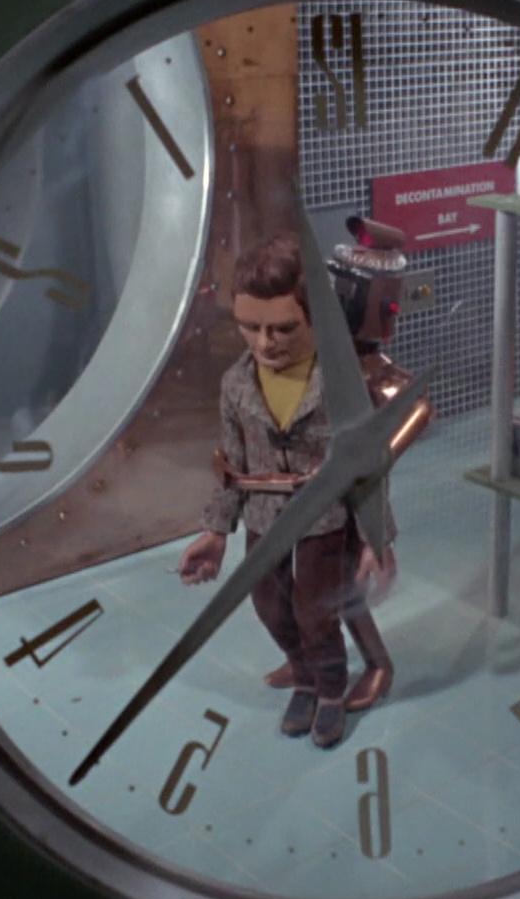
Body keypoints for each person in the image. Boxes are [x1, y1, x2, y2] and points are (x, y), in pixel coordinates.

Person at [177, 230, 429, 748]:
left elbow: (371, 467)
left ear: (319, 320)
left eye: (283, 328)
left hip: (324, 520)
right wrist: (216, 531)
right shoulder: (237, 384)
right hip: (263, 516)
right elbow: (231, 463)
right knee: (270, 605)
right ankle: (305, 673)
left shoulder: (344, 384)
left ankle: (329, 690)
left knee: (318, 609)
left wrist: (377, 537)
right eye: (250, 327)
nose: (265, 343)